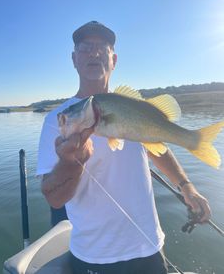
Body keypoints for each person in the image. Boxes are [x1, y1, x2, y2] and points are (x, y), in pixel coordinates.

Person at [37, 21, 211, 274]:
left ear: (114, 59)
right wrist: (72, 163)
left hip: (150, 245)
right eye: (85, 47)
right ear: (74, 59)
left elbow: (155, 148)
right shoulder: (57, 120)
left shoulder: (130, 106)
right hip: (95, 256)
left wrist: (187, 187)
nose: (94, 53)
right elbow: (54, 199)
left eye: (102, 47)